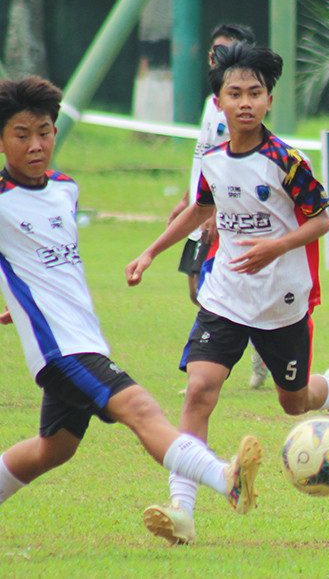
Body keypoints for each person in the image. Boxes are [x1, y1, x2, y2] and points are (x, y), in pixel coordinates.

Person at [125, 43, 329, 545]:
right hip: (225, 296)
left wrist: (277, 246)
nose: (246, 102)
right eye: (235, 93)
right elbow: (199, 210)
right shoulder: (213, 160)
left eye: (256, 93)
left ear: (269, 100)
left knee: (294, 402)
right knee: (199, 389)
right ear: (220, 103)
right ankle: (182, 511)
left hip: (282, 302)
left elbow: (322, 220)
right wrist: (150, 252)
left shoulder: (286, 161)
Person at [0, 76, 262, 524]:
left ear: (55, 133)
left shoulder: (64, 189)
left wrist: (20, 299)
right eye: (21, 135)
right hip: (61, 349)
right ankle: (225, 479)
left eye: (44, 132)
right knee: (141, 408)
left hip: (85, 339)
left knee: (53, 449)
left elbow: (39, 261)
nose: (36, 145)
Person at [166, 23, 270, 390]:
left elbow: (233, 168)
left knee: (211, 290)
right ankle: (253, 344)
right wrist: (187, 199)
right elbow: (205, 159)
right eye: (215, 51)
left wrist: (214, 213)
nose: (216, 57)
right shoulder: (213, 104)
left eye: (225, 51)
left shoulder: (240, 111)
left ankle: (205, 369)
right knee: (196, 290)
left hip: (221, 215)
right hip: (201, 208)